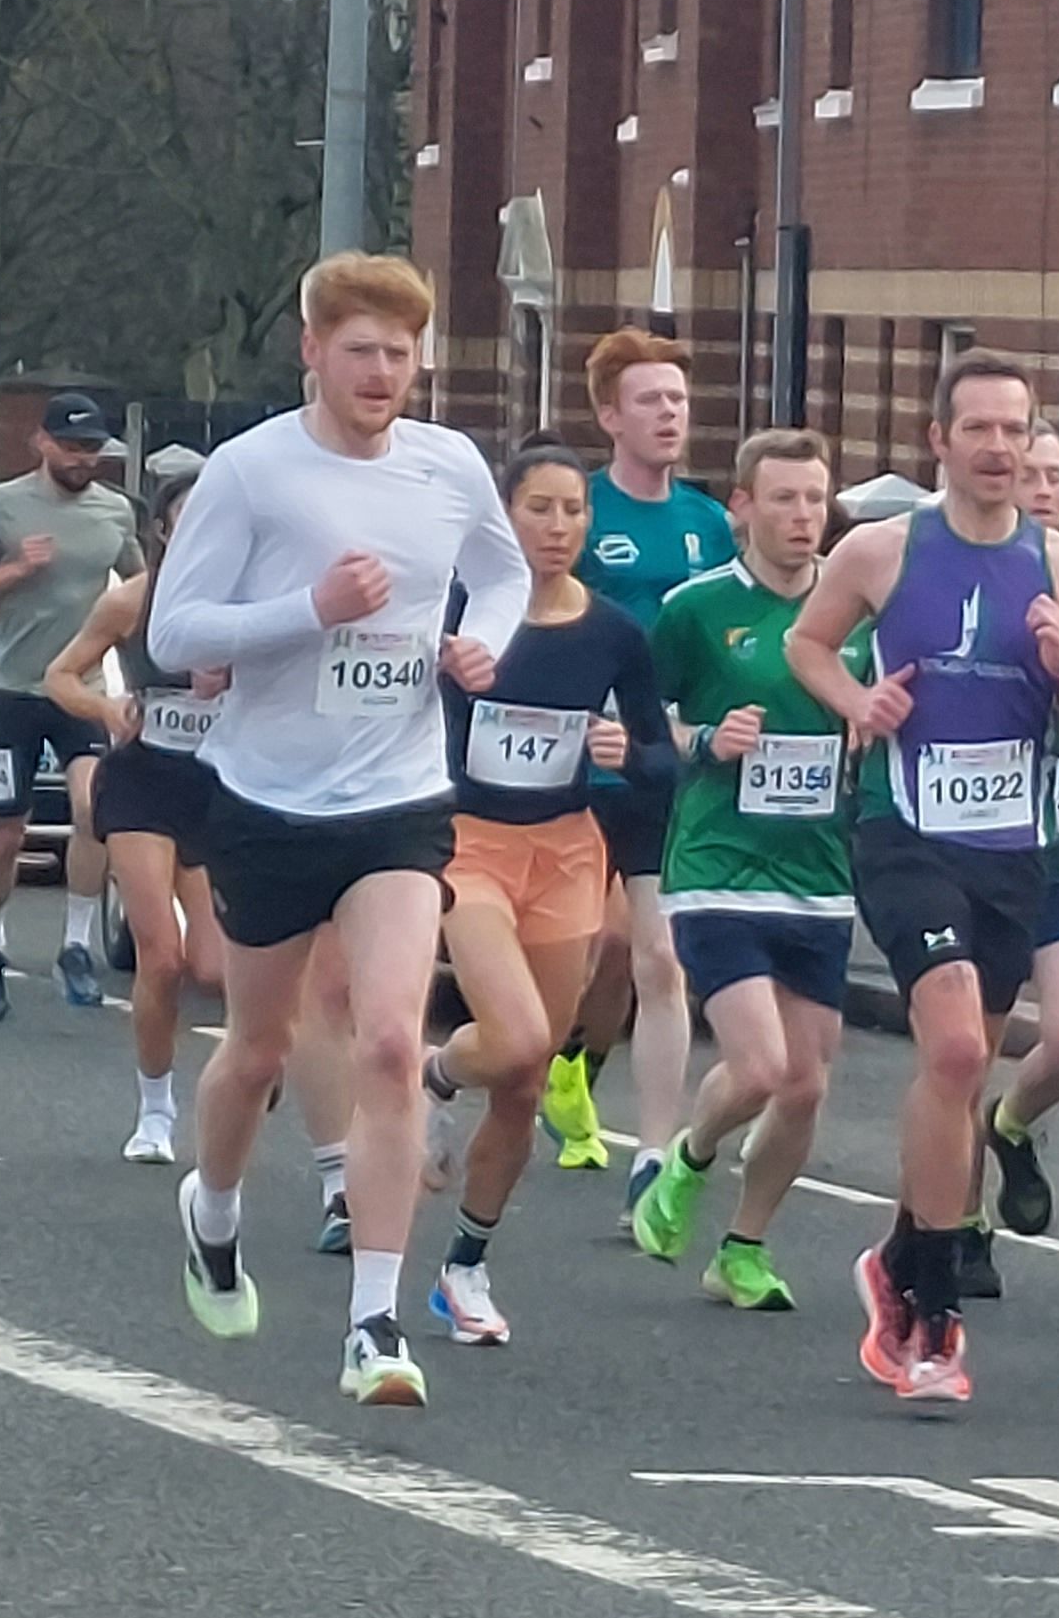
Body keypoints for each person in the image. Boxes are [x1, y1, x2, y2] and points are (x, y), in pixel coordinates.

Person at [154, 252, 531, 1407]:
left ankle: (373, 1324)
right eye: (359, 350)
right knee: (258, 1051)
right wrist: (309, 610)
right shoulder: (253, 473)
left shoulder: (449, 464)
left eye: (399, 354)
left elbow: (503, 575)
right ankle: (211, 1210)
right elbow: (177, 633)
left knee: (382, 1042)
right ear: (312, 352)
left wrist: (483, 647)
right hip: (267, 795)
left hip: (399, 794)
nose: (381, 373)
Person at [789, 349, 1059, 1407]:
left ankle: (895, 1260)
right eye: (977, 429)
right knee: (946, 1048)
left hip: (1013, 846)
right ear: (938, 442)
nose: (998, 448)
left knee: (965, 1069)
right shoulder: (882, 551)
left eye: (1015, 430)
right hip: (905, 831)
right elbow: (809, 644)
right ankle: (931, 1315)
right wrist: (857, 707)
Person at [414, 443, 673, 1347]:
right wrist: (444, 684)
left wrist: (627, 757)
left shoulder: (613, 634)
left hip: (567, 854)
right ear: (504, 517)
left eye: (572, 511)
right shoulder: (458, 622)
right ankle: (437, 1074)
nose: (558, 528)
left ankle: (466, 1266)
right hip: (470, 848)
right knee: (517, 1034)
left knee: (527, 1077)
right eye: (539, 510)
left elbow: (659, 758)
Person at [628, 429, 857, 1312]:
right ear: (742, 510)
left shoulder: (855, 613)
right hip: (718, 865)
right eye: (785, 499)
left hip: (820, 872)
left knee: (806, 1082)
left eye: (814, 498)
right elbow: (651, 725)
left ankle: (744, 1246)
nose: (803, 516)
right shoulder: (696, 609)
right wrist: (708, 742)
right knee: (759, 1066)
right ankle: (685, 1163)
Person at [561, 331, 739, 1183]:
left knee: (658, 955)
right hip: (573, 763)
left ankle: (655, 1151)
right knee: (589, 947)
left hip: (662, 766)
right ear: (609, 416)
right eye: (649, 401)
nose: (669, 414)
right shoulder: (582, 512)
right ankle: (568, 1059)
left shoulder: (709, 524)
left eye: (677, 399)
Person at [957, 426, 1059, 1297]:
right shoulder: (958, 578)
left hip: (1057, 855)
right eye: (1033, 471)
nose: (1045, 486)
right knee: (961, 1052)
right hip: (972, 849)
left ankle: (1012, 1125)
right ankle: (961, 1224)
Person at [42, 459, 225, 1166]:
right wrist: (107, 707)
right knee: (163, 954)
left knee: (215, 968)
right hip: (143, 784)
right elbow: (61, 675)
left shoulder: (250, 606)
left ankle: (247, 1065)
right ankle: (155, 1110)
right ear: (162, 529)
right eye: (189, 518)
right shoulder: (133, 604)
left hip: (216, 788)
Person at [0, 392, 140, 1022]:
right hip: (14, 690)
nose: (84, 460)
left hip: (82, 691)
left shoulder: (115, 513)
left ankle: (76, 947)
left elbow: (145, 592)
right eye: (72, 447)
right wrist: (12, 573)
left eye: (93, 450)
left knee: (93, 812)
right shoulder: (2, 506)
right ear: (43, 444)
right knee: (6, 831)